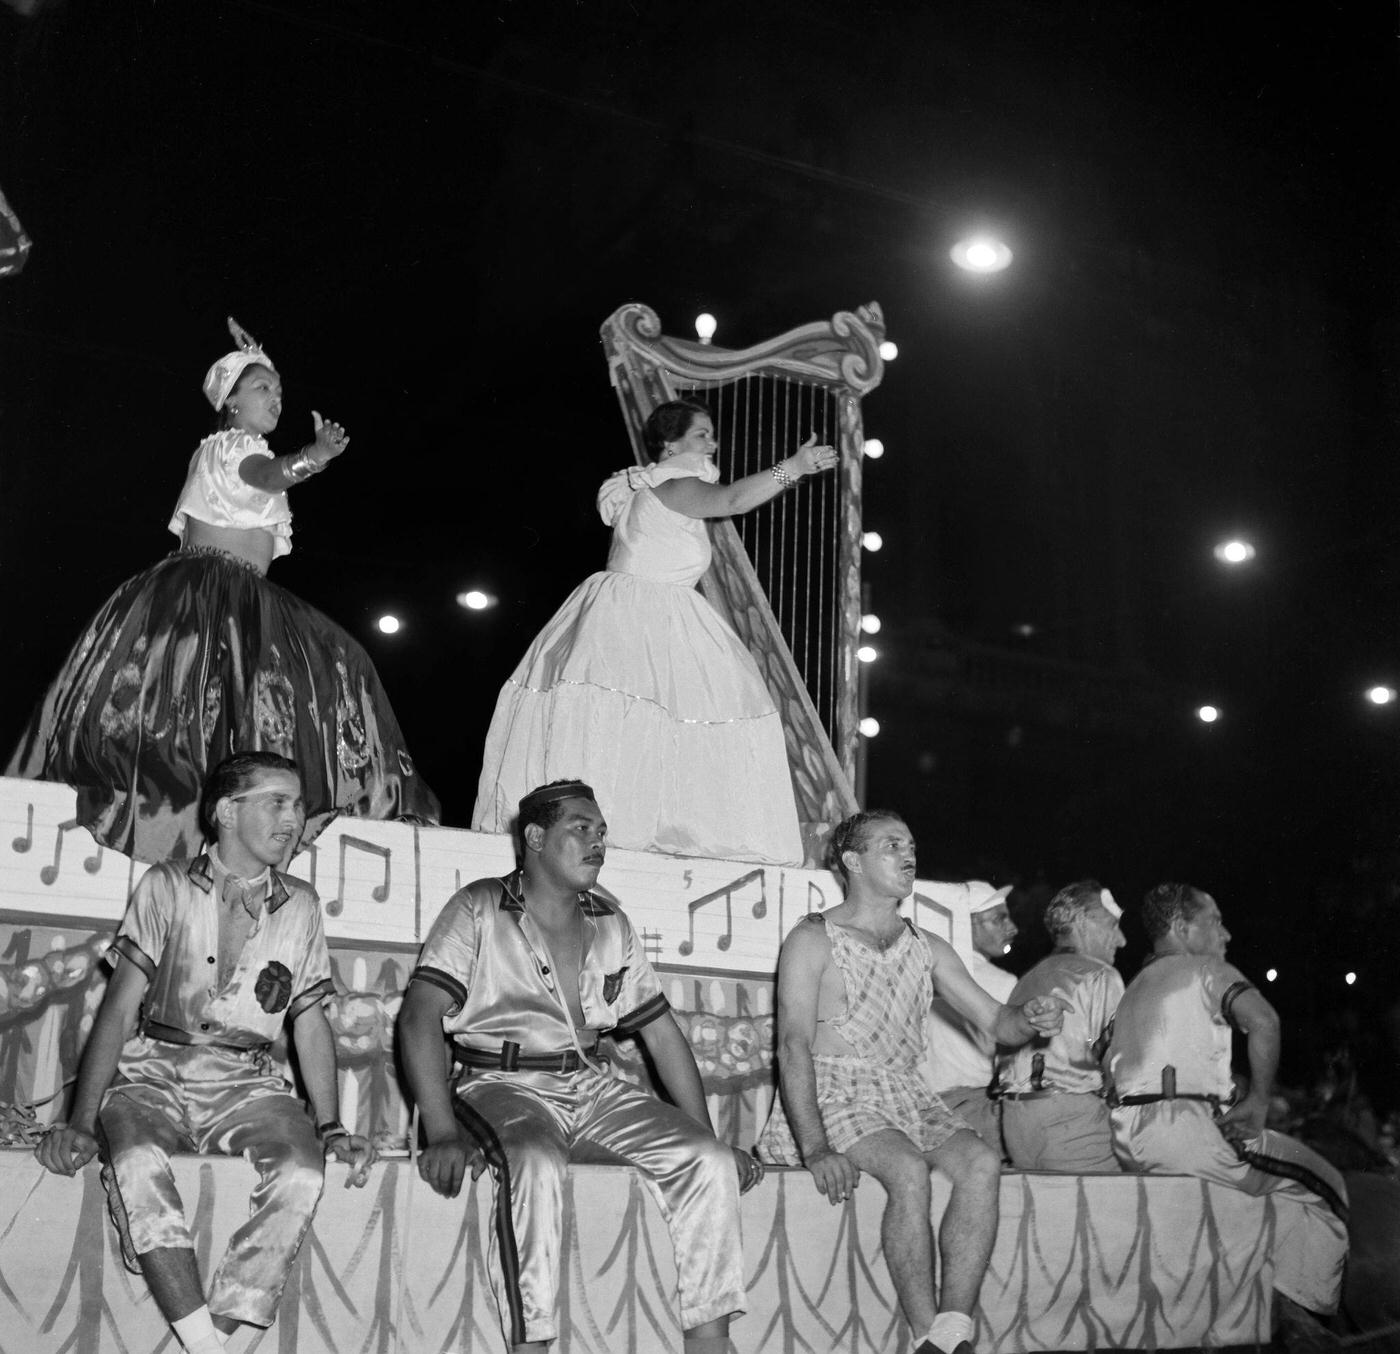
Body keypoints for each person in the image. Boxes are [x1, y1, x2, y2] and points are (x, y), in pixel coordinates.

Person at [7, 318, 439, 863]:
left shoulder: (238, 443)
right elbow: (267, 476)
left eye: (279, 392)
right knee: (211, 697)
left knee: (291, 680)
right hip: (207, 589)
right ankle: (201, 811)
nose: (276, 399)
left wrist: (259, 360)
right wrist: (314, 457)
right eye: (262, 389)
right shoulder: (233, 446)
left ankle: (258, 809)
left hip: (244, 592)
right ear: (230, 402)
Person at [398, 779, 760, 1353]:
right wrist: (440, 1129)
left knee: (709, 1160)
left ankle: (710, 1342)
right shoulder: (479, 906)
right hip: (497, 1083)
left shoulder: (611, 920)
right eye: (581, 829)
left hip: (588, 1085)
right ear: (536, 837)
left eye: (601, 833)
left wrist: (706, 1134)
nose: (597, 843)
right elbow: (419, 1019)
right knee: (534, 1162)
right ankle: (532, 1344)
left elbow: (662, 1036)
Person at [34, 751, 375, 1354]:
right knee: (137, 1160)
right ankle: (206, 1346)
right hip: (151, 1072)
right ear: (225, 811)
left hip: (246, 1080)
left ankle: (209, 1340)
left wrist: (329, 1124)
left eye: (298, 804)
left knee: (300, 1172)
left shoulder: (301, 904)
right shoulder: (165, 886)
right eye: (277, 801)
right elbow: (117, 1011)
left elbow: (310, 1020)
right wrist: (80, 1122)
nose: (294, 817)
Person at [471, 397, 838, 865]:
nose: (714, 442)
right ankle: (621, 836)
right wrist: (795, 466)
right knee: (648, 716)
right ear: (670, 445)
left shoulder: (653, 489)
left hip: (642, 611)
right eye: (702, 434)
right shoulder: (673, 485)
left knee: (658, 721)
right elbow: (732, 500)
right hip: (644, 617)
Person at [758, 810, 1069, 1354]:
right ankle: (930, 1335)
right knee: (906, 1168)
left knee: (981, 1163)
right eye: (891, 845)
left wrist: (1032, 1018)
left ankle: (953, 1327)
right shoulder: (813, 939)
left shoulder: (928, 946)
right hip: (834, 1093)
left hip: (905, 1092)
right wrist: (815, 1146)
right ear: (853, 861)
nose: (909, 855)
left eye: (911, 845)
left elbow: (999, 1022)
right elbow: (792, 1046)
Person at [1105, 882, 1349, 1320]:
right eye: (1215, 921)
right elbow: (1265, 1022)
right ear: (1182, 928)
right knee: (1329, 1186)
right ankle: (1304, 1317)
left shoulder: (1134, 986)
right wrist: (1258, 1100)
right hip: (1190, 1137)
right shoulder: (1204, 968)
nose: (1226, 934)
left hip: (1129, 1140)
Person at [994, 879, 1125, 1171]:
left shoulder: (1028, 978)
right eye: (1113, 925)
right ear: (1082, 923)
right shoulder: (1101, 975)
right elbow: (1120, 1068)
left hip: (1016, 1123)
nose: (1121, 940)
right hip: (1072, 1125)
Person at [921, 881, 1018, 1149]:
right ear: (966, 924)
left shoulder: (920, 968)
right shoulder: (1003, 982)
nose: (1012, 928)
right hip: (977, 1107)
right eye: (999, 918)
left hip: (923, 1109)